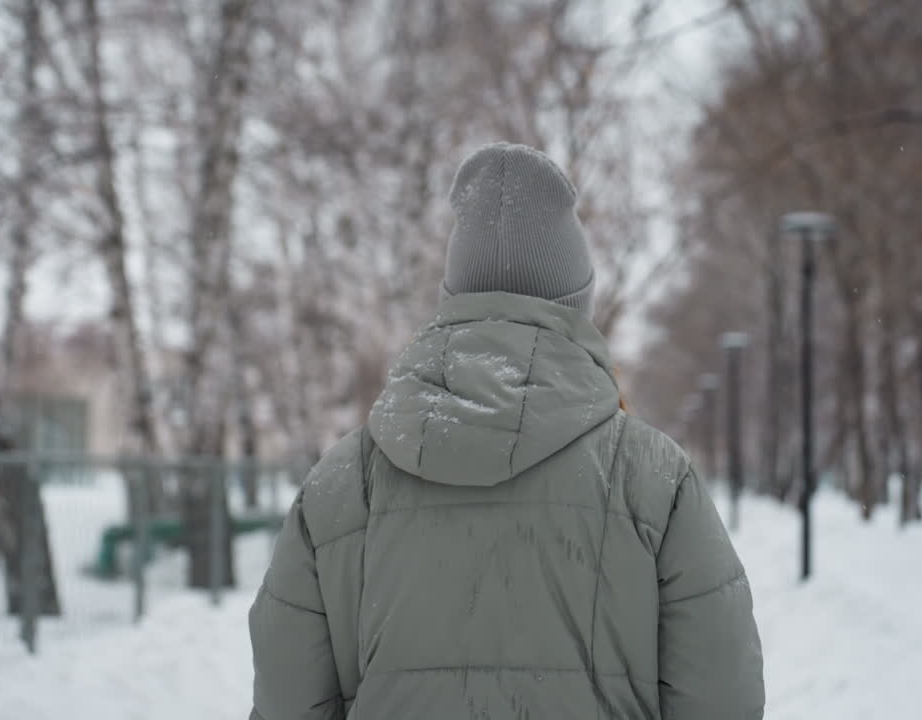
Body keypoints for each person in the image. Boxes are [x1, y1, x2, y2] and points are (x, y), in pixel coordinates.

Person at [248, 143, 764, 719]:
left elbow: (288, 702)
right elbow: (722, 700)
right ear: (577, 304)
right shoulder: (654, 480)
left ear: (453, 299)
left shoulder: (339, 487)